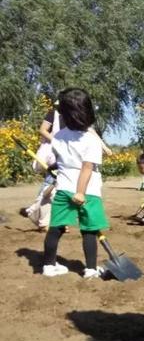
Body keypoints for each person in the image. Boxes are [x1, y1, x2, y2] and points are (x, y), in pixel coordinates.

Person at [42, 88, 108, 278]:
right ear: (88, 112)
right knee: (89, 230)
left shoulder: (59, 136)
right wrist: (80, 192)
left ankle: (48, 265)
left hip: (63, 189)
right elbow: (87, 167)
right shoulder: (92, 140)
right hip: (88, 191)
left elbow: (57, 160)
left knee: (57, 227)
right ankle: (91, 269)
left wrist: (56, 169)